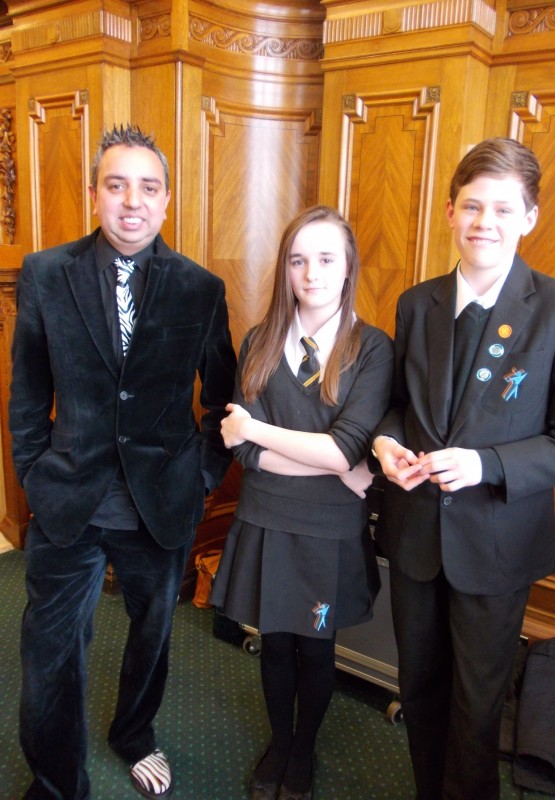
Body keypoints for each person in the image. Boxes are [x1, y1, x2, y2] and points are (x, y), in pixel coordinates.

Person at [9, 124, 237, 800]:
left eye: (147, 187)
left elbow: (221, 400)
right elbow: (26, 392)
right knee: (50, 652)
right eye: (116, 185)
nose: (131, 201)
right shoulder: (46, 274)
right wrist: (32, 472)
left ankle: (134, 734)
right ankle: (56, 782)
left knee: (153, 636)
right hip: (66, 499)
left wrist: (198, 478)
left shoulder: (200, 288)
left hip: (159, 504)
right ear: (94, 194)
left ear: (166, 201)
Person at [370, 137, 555, 800]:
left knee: (475, 708)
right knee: (417, 690)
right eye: (472, 206)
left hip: (495, 548)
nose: (485, 222)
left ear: (529, 217)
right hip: (414, 538)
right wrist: (384, 446)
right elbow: (395, 410)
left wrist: (483, 464)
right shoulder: (417, 304)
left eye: (503, 208)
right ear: (448, 212)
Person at [210, 205, 393, 800]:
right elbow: (244, 457)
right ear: (285, 269)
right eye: (297, 260)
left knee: (315, 647)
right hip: (265, 518)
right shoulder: (258, 342)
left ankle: (304, 748)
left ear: (347, 268)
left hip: (326, 531)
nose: (310, 273)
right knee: (275, 643)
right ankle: (280, 744)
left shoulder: (371, 348)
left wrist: (260, 433)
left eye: (325, 259)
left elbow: (343, 451)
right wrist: (326, 462)